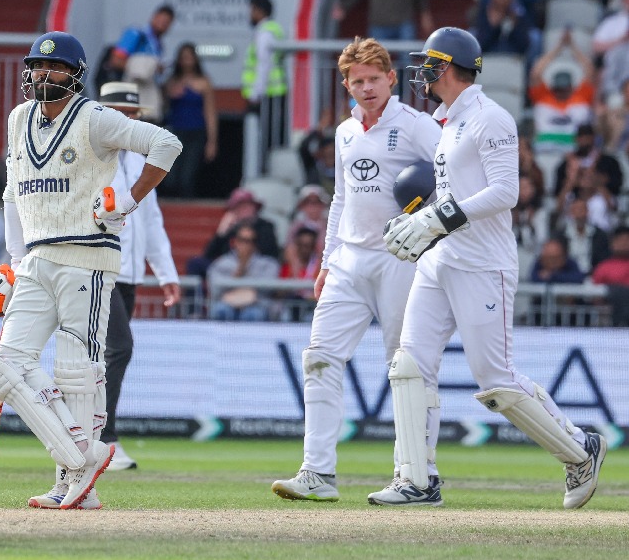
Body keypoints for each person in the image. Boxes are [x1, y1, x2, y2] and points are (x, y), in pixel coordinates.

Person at [372, 27, 606, 508]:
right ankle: (416, 479)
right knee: (409, 365)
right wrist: (424, 215)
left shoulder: (490, 117)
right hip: (441, 258)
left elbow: (506, 193)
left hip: (483, 264)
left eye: (430, 62)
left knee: (495, 380)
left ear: (450, 66)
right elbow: (456, 192)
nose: (422, 72)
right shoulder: (447, 122)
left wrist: (439, 216)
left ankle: (580, 450)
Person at [0, 31, 181, 511]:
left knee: (77, 373)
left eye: (53, 68)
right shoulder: (17, 119)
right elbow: (12, 195)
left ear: (75, 75)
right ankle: (83, 454)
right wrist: (12, 262)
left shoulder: (95, 119)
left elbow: (166, 144)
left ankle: (70, 480)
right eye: (35, 67)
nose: (42, 76)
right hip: (34, 260)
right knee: (7, 366)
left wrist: (128, 201)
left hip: (87, 258)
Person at [270, 36, 440, 502]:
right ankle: (318, 473)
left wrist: (427, 231)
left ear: (391, 78)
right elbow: (340, 200)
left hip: (400, 258)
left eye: (374, 79)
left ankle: (419, 476)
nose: (367, 88)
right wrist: (326, 262)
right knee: (319, 357)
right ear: (347, 85)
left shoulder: (416, 125)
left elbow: (452, 175)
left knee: (408, 368)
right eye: (357, 81)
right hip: (348, 261)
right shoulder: (345, 132)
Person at [94, 82, 178, 471]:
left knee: (106, 354)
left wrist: (166, 273)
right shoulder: (93, 155)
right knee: (118, 348)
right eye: (118, 113)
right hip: (98, 265)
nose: (127, 121)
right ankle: (103, 438)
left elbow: (152, 221)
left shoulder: (145, 161)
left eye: (132, 115)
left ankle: (93, 437)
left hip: (128, 273)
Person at [160, 43, 216, 198]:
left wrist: (212, 141)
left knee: (187, 175)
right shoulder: (171, 82)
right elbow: (162, 108)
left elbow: (210, 112)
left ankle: (186, 202)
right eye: (183, 58)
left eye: (190, 57)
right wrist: (169, 94)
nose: (187, 61)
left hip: (196, 132)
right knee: (170, 175)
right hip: (175, 131)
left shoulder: (203, 82)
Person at [206, 222, 281, 321]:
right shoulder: (221, 263)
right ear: (235, 242)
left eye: (250, 241)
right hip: (227, 303)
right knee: (221, 310)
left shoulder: (268, 264)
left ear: (255, 244)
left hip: (256, 304)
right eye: (242, 240)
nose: (246, 245)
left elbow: (269, 288)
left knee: (253, 314)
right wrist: (239, 271)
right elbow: (215, 288)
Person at [244, 0, 288, 149]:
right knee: (272, 132)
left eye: (252, 10)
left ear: (259, 11)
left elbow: (264, 64)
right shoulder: (273, 29)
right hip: (273, 91)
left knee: (266, 133)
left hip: (268, 93)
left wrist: (256, 93)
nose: (250, 14)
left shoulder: (265, 32)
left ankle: (265, 166)